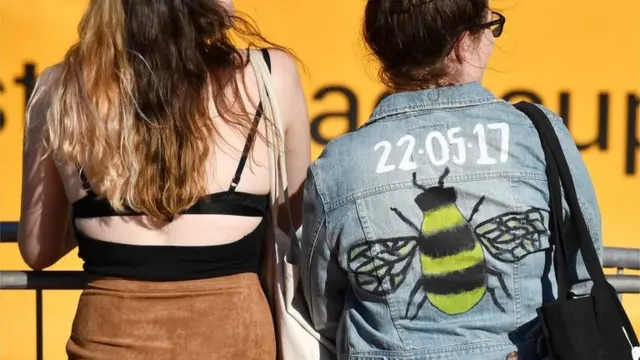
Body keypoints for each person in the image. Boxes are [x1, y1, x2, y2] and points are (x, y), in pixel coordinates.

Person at [300, 1, 602, 359]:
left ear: (379, 47)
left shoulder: (339, 166)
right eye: (491, 26)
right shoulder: (536, 135)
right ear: (463, 44)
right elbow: (585, 272)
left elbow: (322, 309)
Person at [18, 0, 310, 358]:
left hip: (109, 337)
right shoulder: (270, 76)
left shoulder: (59, 89)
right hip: (233, 338)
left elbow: (37, 250)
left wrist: (97, 210)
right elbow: (295, 225)